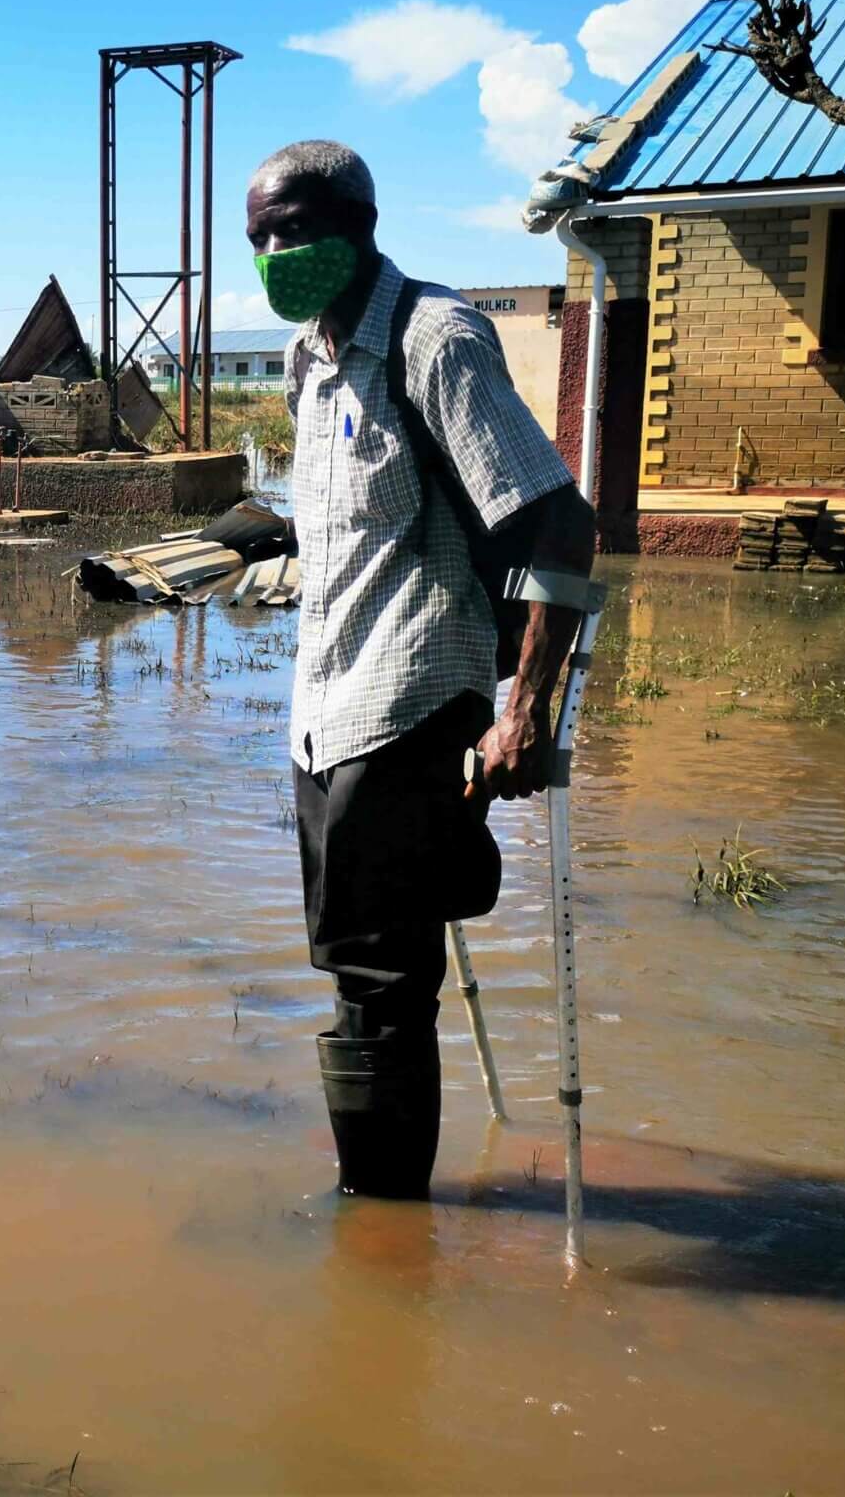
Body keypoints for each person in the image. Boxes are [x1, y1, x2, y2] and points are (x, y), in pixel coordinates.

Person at [245, 140, 596, 1199]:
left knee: (381, 983)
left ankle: (383, 1231)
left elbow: (557, 525)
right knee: (356, 970)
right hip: (325, 708)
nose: (275, 251)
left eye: (295, 228)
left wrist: (523, 710)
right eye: (259, 235)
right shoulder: (312, 360)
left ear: (359, 222)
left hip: (411, 698)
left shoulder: (432, 340)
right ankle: (383, 1215)